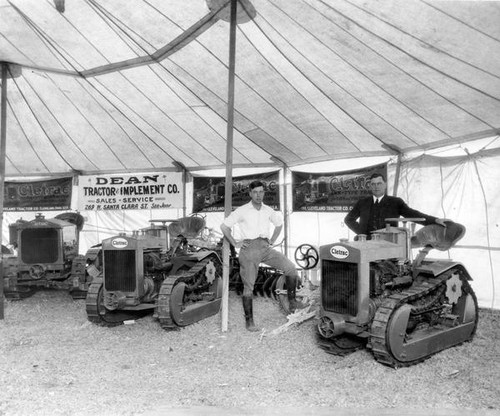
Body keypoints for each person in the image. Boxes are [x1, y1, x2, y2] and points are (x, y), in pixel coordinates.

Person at [221, 180, 306, 332]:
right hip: (249, 250)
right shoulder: (242, 210)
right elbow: (224, 226)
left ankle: (292, 302)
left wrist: (272, 240)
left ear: (264, 193)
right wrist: (235, 243)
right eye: (255, 192)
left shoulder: (268, 210)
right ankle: (249, 322)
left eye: (261, 192)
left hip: (265, 247)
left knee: (290, 268)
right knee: (249, 287)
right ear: (250, 193)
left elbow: (279, 224)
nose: (258, 195)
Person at [344, 173, 447, 239]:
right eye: (373, 184)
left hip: (389, 244)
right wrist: (362, 233)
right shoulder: (362, 202)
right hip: (365, 243)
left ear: (385, 184)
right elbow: (348, 219)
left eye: (379, 183)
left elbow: (413, 214)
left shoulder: (395, 202)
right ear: (370, 186)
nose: (376, 187)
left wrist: (435, 220)